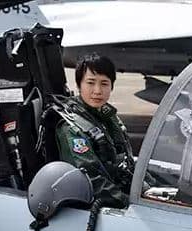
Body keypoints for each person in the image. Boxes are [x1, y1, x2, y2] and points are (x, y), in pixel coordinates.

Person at [54, 53, 136, 208]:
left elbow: (127, 161)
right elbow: (89, 179)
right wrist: (129, 202)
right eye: (90, 83)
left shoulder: (109, 117)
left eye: (104, 84)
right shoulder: (72, 128)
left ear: (112, 86)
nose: (97, 91)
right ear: (79, 85)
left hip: (118, 190)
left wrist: (148, 188)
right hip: (101, 203)